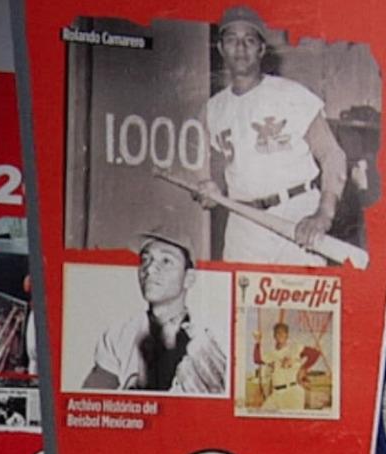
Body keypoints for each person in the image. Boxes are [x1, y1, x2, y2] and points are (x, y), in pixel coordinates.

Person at [198, 5, 347, 265]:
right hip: (244, 224)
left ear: (261, 49)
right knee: (238, 302)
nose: (241, 48)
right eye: (232, 40)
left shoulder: (290, 94)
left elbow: (332, 154)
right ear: (221, 49)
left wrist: (324, 213)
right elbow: (219, 171)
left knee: (299, 301)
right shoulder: (213, 109)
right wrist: (210, 189)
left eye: (249, 40)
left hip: (297, 214)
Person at [82, 233, 228, 394]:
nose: (149, 269)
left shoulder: (212, 337)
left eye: (166, 261)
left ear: (189, 278)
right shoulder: (119, 335)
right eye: (145, 259)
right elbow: (90, 400)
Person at [252, 321, 321, 411]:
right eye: (278, 332)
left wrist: (303, 369)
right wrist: (258, 342)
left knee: (294, 422)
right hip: (276, 393)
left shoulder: (295, 348)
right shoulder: (272, 354)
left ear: (287, 335)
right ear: (274, 336)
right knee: (262, 414)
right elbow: (257, 359)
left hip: (292, 392)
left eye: (283, 332)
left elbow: (315, 354)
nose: (280, 334)